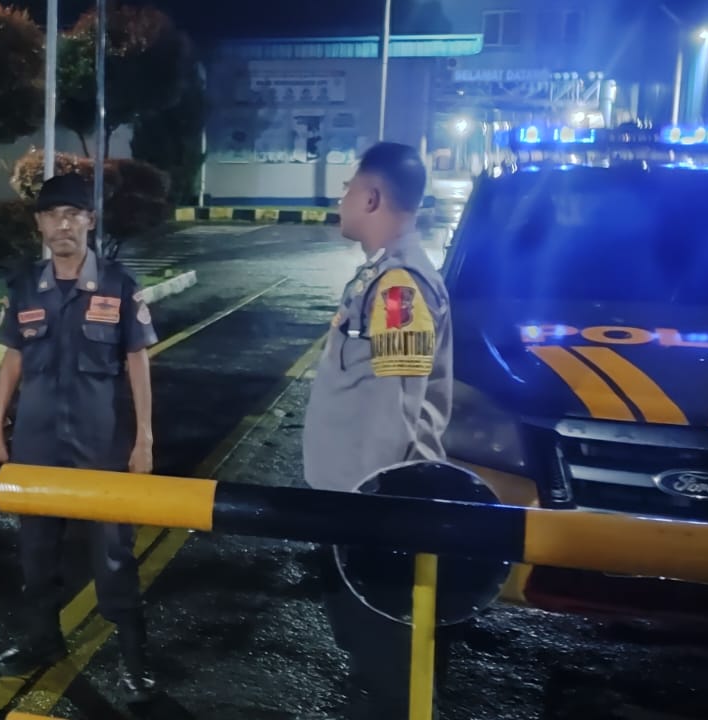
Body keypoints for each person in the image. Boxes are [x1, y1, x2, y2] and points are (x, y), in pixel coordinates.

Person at [0, 173, 160, 701]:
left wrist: (144, 439)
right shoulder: (24, 285)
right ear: (40, 224)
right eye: (52, 216)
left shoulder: (118, 284)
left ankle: (135, 660)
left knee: (113, 554)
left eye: (72, 215)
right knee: (36, 550)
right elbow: (13, 359)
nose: (62, 225)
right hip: (37, 443)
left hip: (100, 443)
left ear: (89, 221)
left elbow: (137, 361)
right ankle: (43, 641)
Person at [301, 142, 453, 719]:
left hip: (371, 510)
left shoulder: (398, 288)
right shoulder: (381, 275)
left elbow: (396, 410)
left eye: (347, 188)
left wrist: (375, 516)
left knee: (388, 661)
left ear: (370, 197)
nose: (340, 199)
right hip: (354, 504)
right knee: (368, 653)